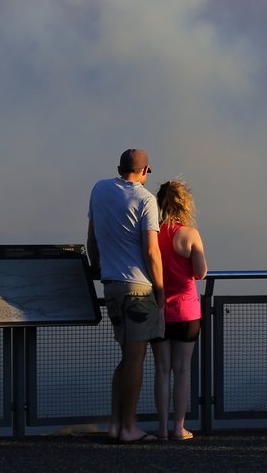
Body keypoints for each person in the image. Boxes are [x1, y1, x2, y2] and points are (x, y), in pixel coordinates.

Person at [86, 148, 164, 443]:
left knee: (125, 358)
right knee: (135, 359)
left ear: (119, 167)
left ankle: (116, 425)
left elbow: (92, 237)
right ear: (145, 171)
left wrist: (97, 268)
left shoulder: (100, 189)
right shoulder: (145, 199)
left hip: (111, 285)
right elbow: (151, 252)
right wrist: (160, 291)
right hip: (138, 288)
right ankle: (128, 427)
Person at [152, 179, 208, 441]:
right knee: (182, 370)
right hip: (186, 311)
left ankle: (161, 429)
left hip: (158, 309)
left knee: (162, 369)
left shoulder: (153, 233)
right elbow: (200, 272)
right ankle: (178, 428)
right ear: (185, 203)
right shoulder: (190, 234)